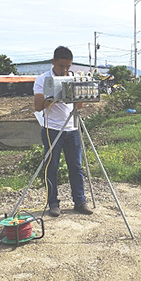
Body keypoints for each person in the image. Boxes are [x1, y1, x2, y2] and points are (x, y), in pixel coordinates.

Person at [33, 46, 93, 217]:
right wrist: (55, 95)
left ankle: (80, 201)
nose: (65, 70)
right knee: (51, 166)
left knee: (76, 166)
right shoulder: (43, 80)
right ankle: (53, 203)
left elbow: (79, 105)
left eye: (68, 67)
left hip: (72, 128)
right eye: (61, 66)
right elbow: (37, 106)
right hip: (52, 128)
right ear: (53, 62)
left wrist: (79, 93)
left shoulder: (73, 78)